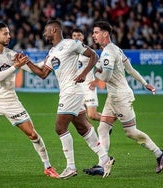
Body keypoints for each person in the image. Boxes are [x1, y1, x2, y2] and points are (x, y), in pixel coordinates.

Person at [20, 20, 114, 179]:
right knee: (83, 128)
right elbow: (43, 74)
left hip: (72, 91)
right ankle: (105, 158)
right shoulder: (52, 52)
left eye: (46, 30)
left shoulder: (71, 44)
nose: (44, 34)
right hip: (68, 92)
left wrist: (84, 73)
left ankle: (71, 167)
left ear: (54, 30)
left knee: (59, 127)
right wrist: (26, 62)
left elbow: (93, 55)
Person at [0, 21, 59, 180]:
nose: (9, 36)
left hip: (11, 101)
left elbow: (34, 68)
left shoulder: (11, 55)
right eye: (5, 34)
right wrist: (16, 66)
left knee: (32, 134)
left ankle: (48, 167)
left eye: (9, 33)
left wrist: (50, 58)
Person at [85, 20, 163, 175]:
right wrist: (145, 83)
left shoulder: (108, 52)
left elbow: (107, 76)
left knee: (131, 132)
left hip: (121, 97)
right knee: (102, 128)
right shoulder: (116, 49)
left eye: (96, 32)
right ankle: (102, 164)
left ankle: (159, 153)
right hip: (113, 97)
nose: (93, 35)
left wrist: (95, 70)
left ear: (105, 34)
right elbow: (130, 69)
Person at [71, 28, 101, 122]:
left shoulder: (89, 52)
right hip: (76, 89)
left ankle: (109, 120)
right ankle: (94, 136)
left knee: (92, 115)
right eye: (74, 36)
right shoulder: (69, 53)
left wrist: (96, 81)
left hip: (88, 87)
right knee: (82, 118)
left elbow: (101, 68)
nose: (76, 38)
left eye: (79, 35)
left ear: (83, 37)